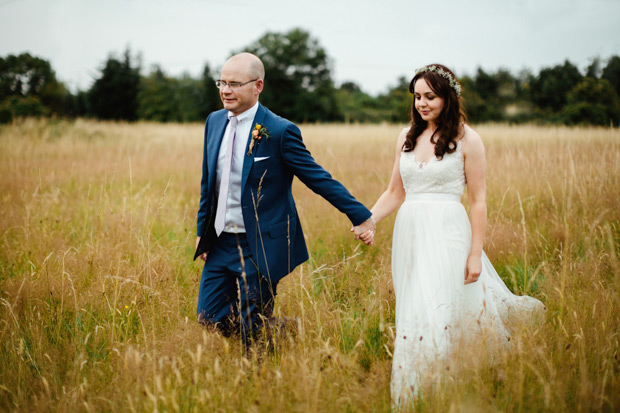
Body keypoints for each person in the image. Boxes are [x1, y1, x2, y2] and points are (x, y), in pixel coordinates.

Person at [359, 64, 545, 404]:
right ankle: (416, 393)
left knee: (439, 309)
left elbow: (478, 201)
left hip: (448, 234)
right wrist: (368, 220)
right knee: (414, 307)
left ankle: (441, 388)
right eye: (417, 96)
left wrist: (475, 253)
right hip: (410, 234)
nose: (422, 103)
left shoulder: (467, 139)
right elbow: (394, 192)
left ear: (448, 97)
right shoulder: (406, 137)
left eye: (430, 96)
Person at [194, 52, 375, 348]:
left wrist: (360, 215)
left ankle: (256, 379)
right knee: (209, 317)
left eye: (235, 84)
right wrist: (203, 232)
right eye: (222, 82)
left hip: (260, 243)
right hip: (220, 241)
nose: (225, 90)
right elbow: (208, 182)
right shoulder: (214, 122)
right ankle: (284, 329)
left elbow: (317, 177)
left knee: (252, 330)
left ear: (258, 86)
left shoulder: (279, 131)